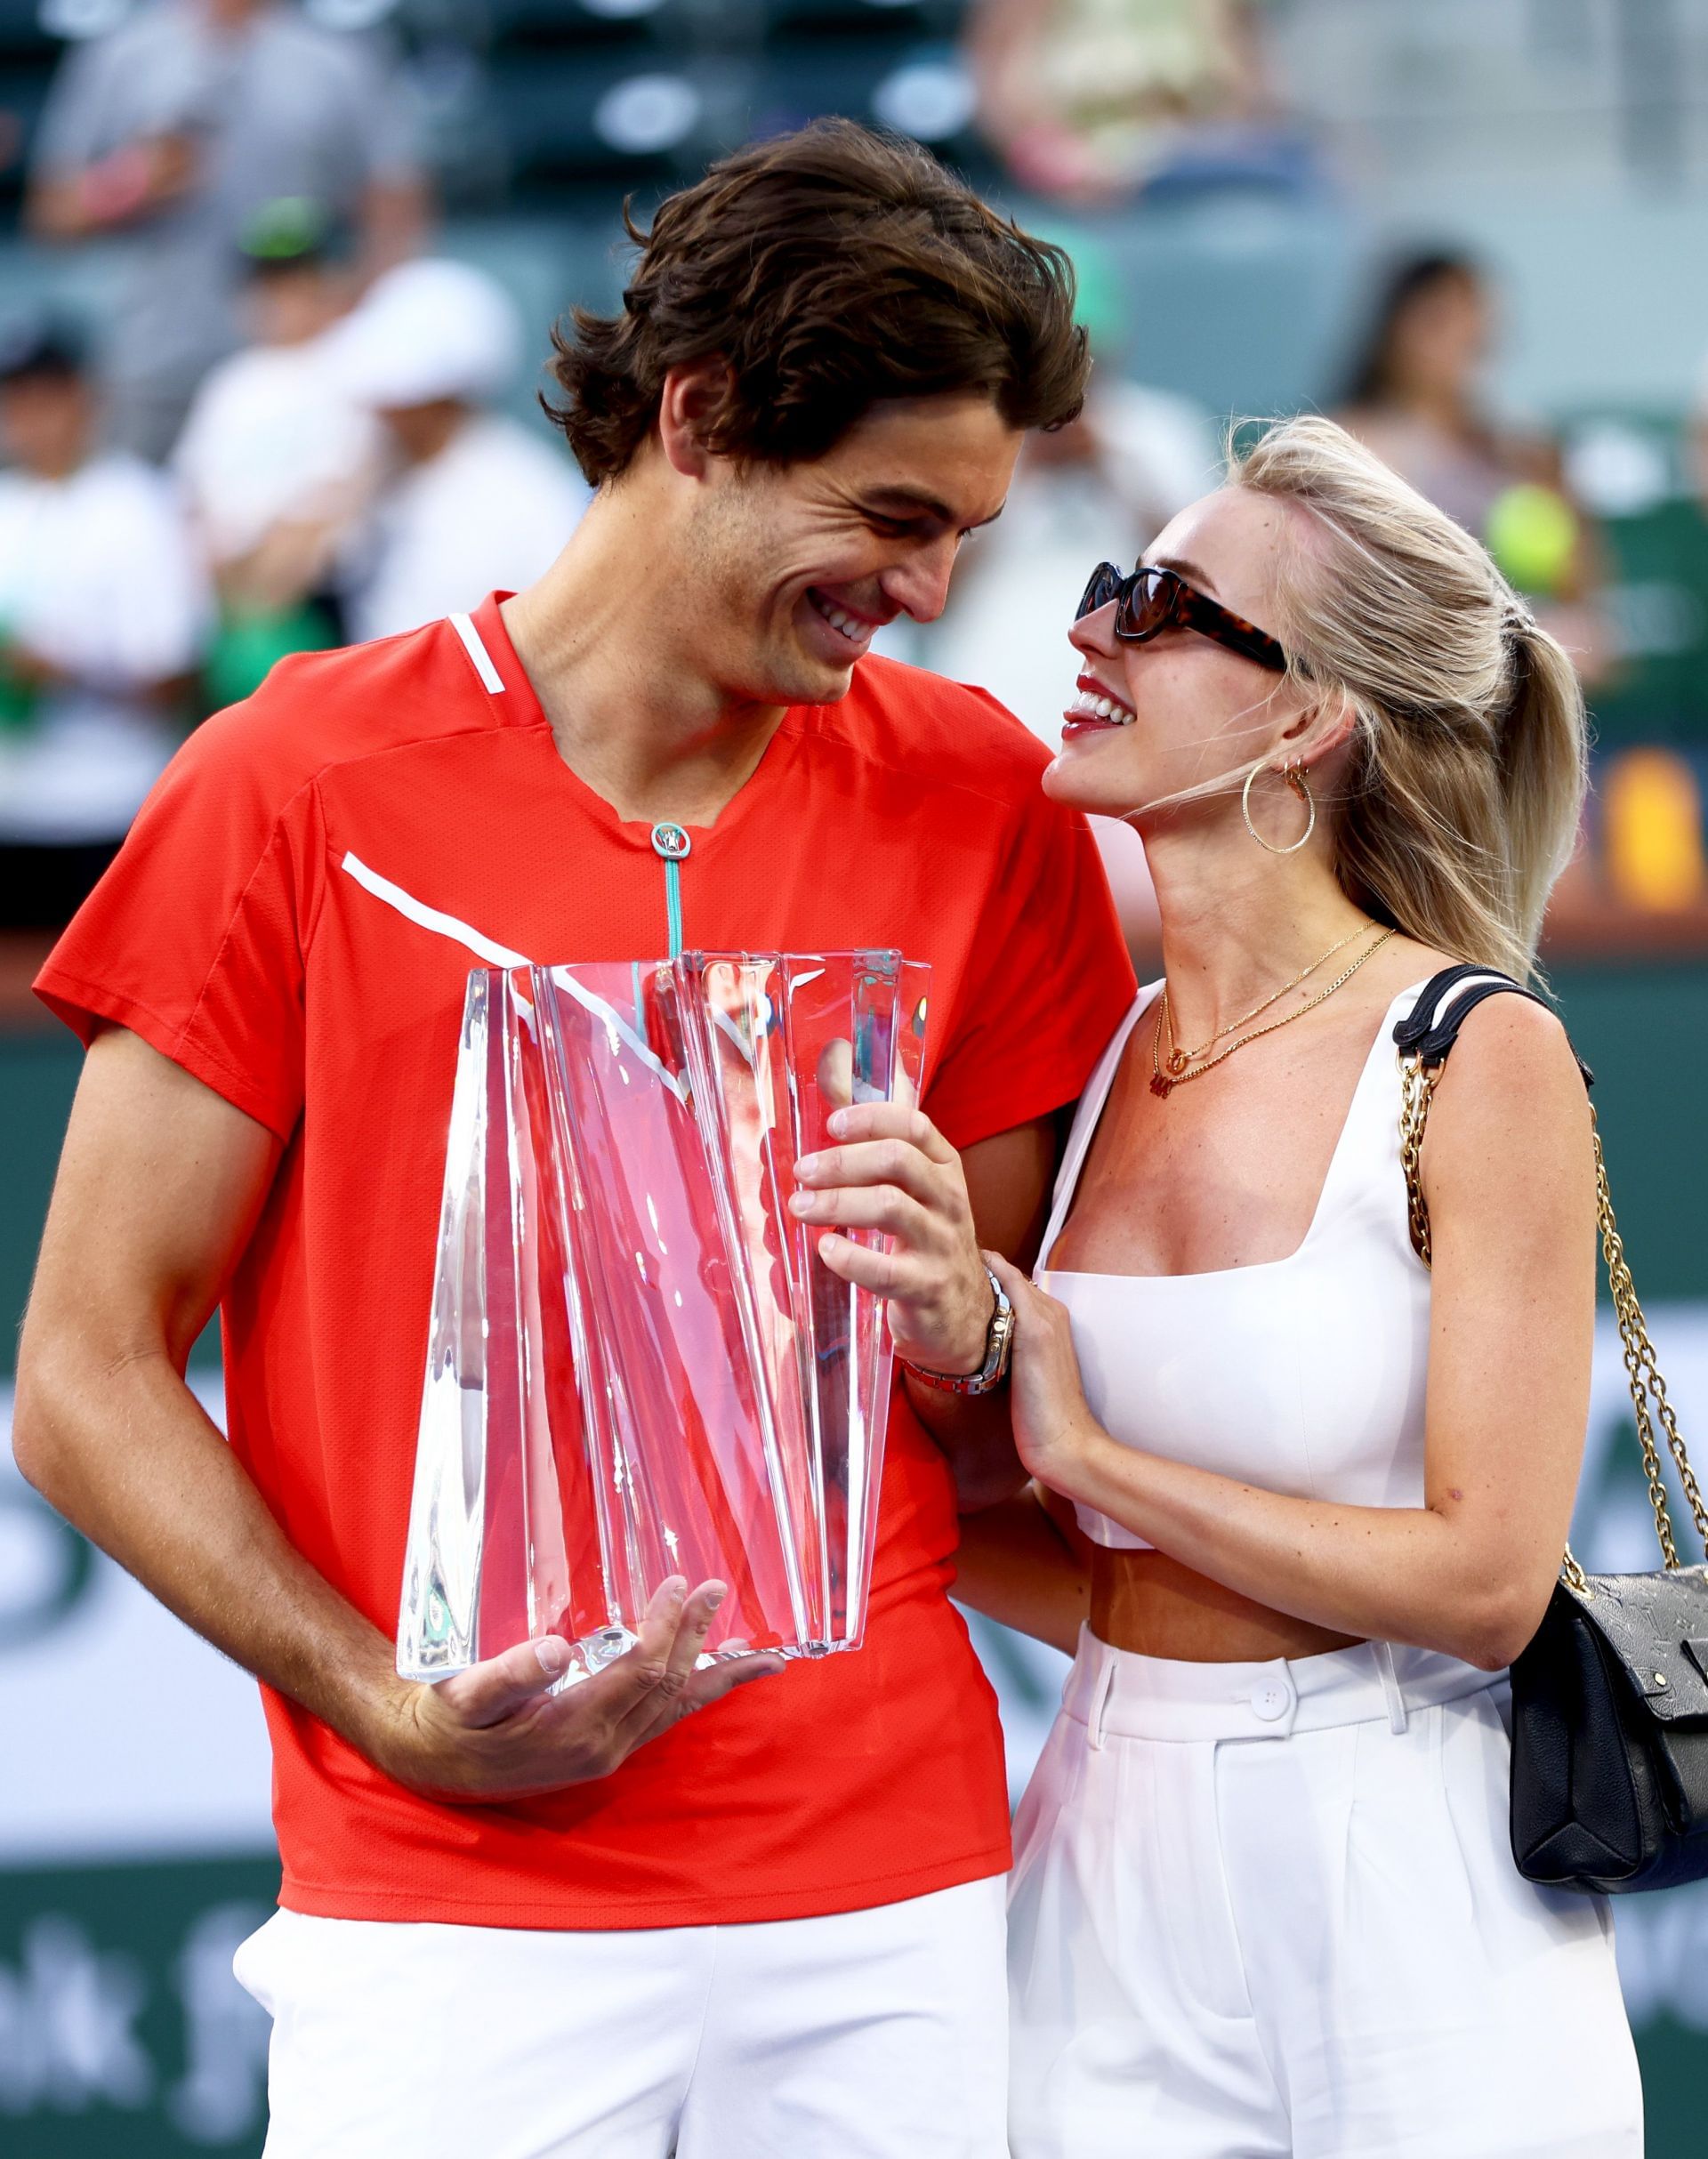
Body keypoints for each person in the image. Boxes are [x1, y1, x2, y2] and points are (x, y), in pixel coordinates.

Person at [14, 120, 1132, 2159]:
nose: (930, 587)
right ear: (698, 414)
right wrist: (386, 1701)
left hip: (890, 1880)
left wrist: (977, 1310)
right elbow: (84, 1374)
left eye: (966, 528)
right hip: (450, 1899)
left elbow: (992, 1380)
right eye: (890, 514)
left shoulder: (981, 792)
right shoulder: (288, 786)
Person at [953, 415, 1643, 2155]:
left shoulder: (1473, 1051)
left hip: (1407, 1842)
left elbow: (1490, 1581)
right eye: (1113, 582)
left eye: (1164, 603)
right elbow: (1009, 1533)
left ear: (1306, 714)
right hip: (1102, 1815)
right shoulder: (1095, 1055)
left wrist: (1094, 1460)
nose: (1089, 625)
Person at [25, 0, 425, 461]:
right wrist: (131, 183)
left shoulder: (338, 56)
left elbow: (396, 209)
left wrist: (357, 317)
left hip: (303, 369)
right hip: (157, 365)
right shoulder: (122, 53)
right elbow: (50, 214)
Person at [0, 320, 211, 933]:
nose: (30, 414)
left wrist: (68, 670)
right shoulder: (7, 504)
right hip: (13, 806)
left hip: (110, 808)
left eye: (46, 393)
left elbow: (178, 680)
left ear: (84, 396)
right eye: (17, 396)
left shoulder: (139, 505)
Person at [1335, 250, 1611, 682]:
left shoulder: (1527, 449)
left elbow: (1588, 612)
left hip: (1518, 683)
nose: (1462, 340)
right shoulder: (1349, 445)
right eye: (1439, 321)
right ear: (1393, 332)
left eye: (1475, 325)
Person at [173, 196, 383, 704]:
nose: (283, 295)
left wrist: (266, 593)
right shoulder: (230, 383)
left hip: (321, 607)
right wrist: (235, 602)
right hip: (232, 613)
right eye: (269, 279)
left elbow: (341, 498)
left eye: (299, 275)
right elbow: (192, 501)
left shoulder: (363, 365)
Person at [330, 256, 592, 643]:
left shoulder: (532, 493)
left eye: (400, 398)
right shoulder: (376, 477)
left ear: (444, 397)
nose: (381, 411)